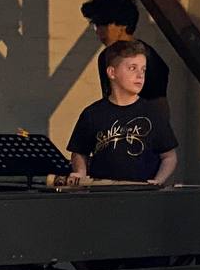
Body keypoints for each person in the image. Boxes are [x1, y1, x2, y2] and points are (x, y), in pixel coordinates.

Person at [67, 39, 178, 184]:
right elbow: (79, 152)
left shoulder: (153, 113)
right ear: (112, 72)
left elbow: (169, 156)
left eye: (143, 69)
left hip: (142, 194)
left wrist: (157, 181)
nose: (140, 75)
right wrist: (80, 174)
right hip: (102, 193)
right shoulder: (92, 114)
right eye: (132, 68)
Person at [80, 0, 169, 102]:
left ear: (122, 24)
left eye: (103, 24)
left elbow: (156, 104)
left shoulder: (148, 58)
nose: (98, 31)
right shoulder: (105, 57)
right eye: (96, 25)